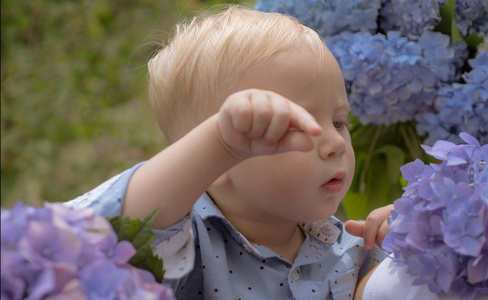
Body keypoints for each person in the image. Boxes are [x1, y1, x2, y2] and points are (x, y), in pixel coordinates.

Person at [66, 6, 393, 299]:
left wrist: (408, 247)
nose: (337, 144)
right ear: (216, 163)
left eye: (338, 122)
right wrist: (216, 144)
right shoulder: (185, 243)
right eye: (295, 127)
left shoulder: (353, 250)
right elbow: (113, 229)